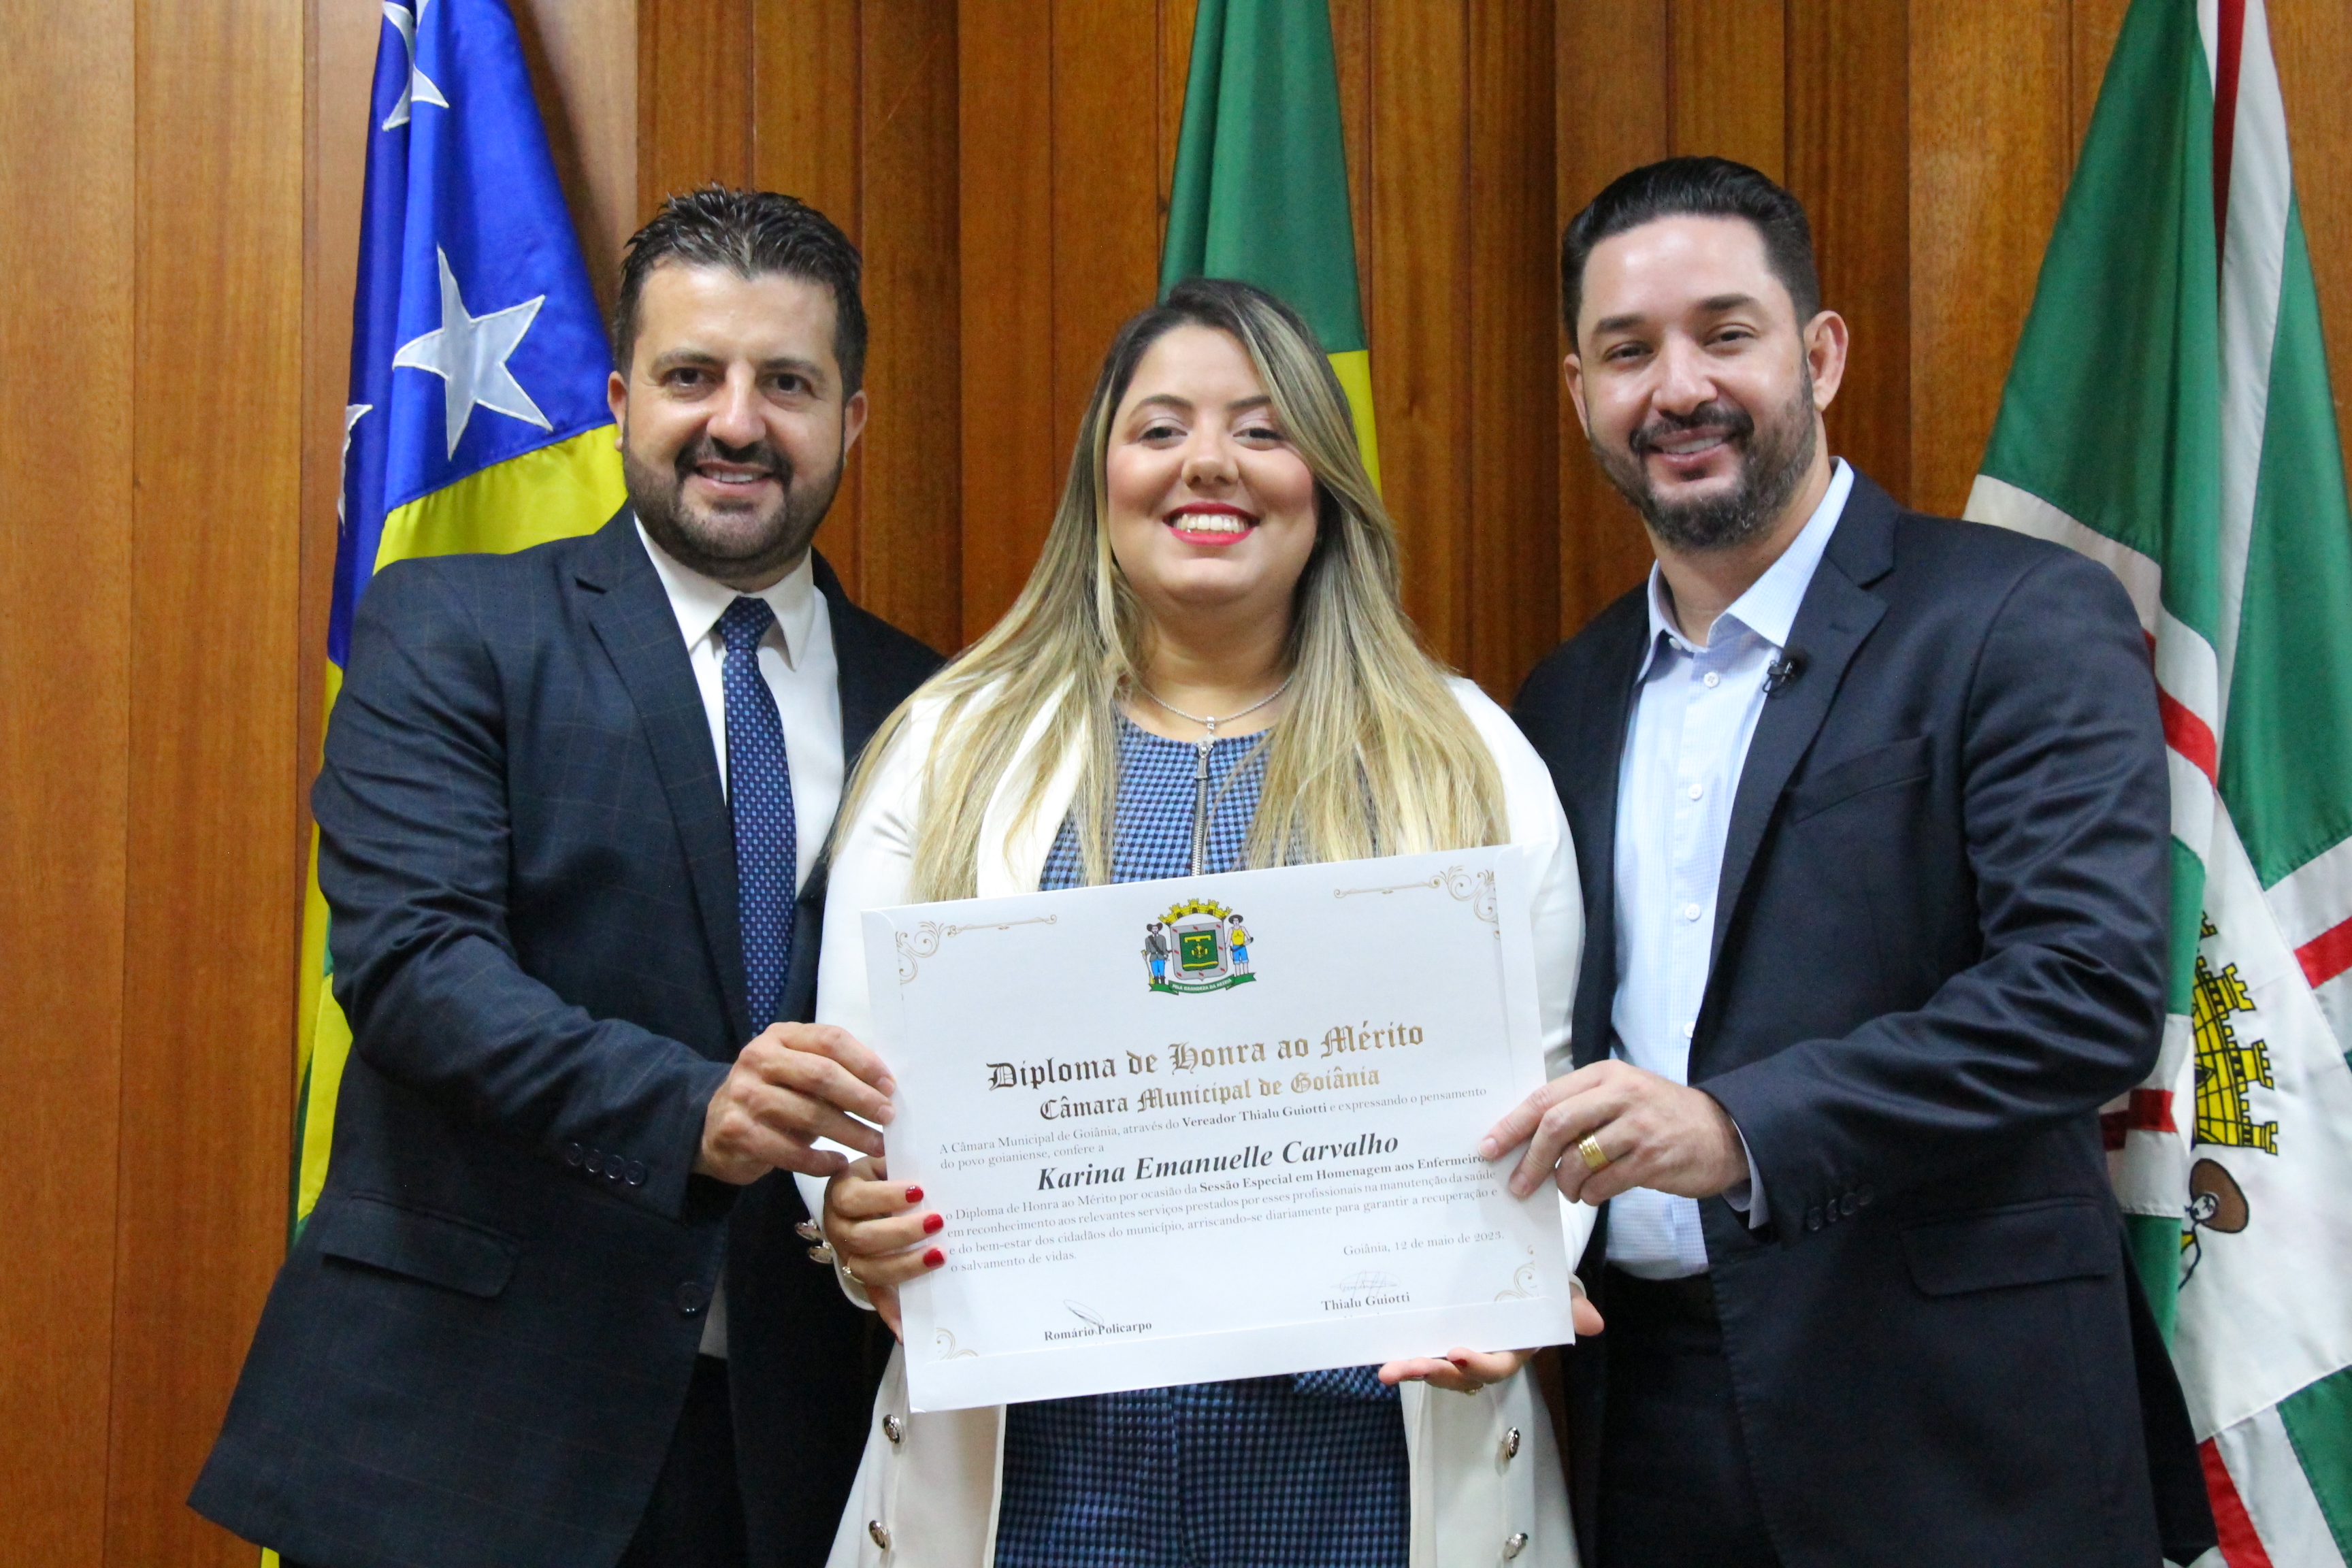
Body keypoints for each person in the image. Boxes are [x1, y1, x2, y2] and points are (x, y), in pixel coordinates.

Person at [190, 189, 941, 1568]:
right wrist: (693, 1110)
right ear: (619, 401)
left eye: (786, 383)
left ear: (853, 420)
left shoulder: (940, 708)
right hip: (472, 1435)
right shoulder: (455, 630)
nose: (736, 423)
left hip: (801, 1452)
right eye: (691, 376)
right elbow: (414, 969)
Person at [808, 278, 1599, 1567]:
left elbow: (1546, 1103)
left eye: (1262, 429)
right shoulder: (946, 751)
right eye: (1161, 428)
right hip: (1040, 1486)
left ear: (1323, 479)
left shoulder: (1468, 754)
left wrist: (1510, 1287)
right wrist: (856, 1221)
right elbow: (851, 1108)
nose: (1209, 463)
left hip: (1366, 1480)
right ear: (1102, 478)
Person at [1497, 157, 2215, 1567]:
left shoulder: (2014, 617)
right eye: (1628, 353)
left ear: (1820, 355)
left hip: (1959, 1433)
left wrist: (1739, 1129)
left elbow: (2086, 992)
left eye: (1726, 333)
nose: (1678, 388)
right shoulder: (1563, 699)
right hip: (1651, 1423)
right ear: (1579, 393)